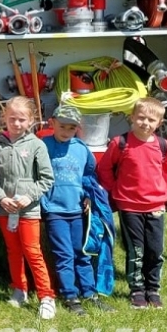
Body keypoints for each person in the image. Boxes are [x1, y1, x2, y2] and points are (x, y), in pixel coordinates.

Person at [96, 97, 167, 310]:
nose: (145, 123)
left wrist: (158, 189)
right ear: (131, 117)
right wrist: (115, 189)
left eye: (151, 120)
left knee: (155, 250)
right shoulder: (120, 143)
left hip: (156, 207)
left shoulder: (163, 146)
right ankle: (137, 290)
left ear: (159, 123)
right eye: (141, 117)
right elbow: (104, 168)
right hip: (129, 206)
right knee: (136, 250)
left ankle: (153, 289)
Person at [0, 96, 57, 319]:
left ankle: (46, 297)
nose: (16, 123)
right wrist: (0, 198)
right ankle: (19, 289)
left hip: (28, 210)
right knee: (13, 251)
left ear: (31, 121)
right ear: (4, 118)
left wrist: (29, 196)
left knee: (32, 251)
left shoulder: (37, 145)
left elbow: (46, 179)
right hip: (6, 210)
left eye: (21, 119)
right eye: (12, 118)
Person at [42, 105, 114, 315]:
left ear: (78, 128)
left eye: (71, 128)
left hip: (77, 212)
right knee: (64, 255)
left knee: (82, 253)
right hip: (55, 211)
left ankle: (89, 293)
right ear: (52, 123)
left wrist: (88, 197)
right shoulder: (44, 146)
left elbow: (88, 176)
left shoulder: (81, 149)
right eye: (62, 126)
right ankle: (70, 296)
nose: (66, 131)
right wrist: (44, 203)